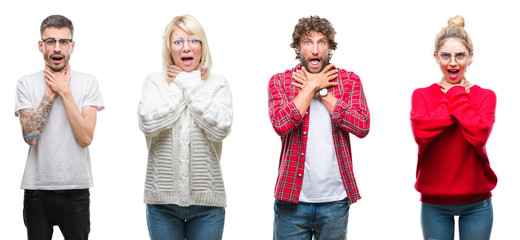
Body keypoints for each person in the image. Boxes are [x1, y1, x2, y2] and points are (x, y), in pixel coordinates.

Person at [268, 16, 370, 239]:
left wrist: (323, 92)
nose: (315, 49)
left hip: (335, 202)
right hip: (291, 201)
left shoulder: (349, 81)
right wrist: (311, 85)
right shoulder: (281, 82)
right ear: (298, 47)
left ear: (329, 48)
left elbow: (362, 126)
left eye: (321, 42)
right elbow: (281, 124)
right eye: (307, 42)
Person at [137, 15, 233, 240]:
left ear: (202, 46)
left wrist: (189, 82)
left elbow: (220, 128)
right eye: (178, 41)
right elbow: (149, 123)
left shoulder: (218, 83)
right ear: (169, 48)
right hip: (162, 203)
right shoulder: (154, 82)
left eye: (193, 40)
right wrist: (186, 81)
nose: (186, 47)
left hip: (208, 204)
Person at [14, 15, 104, 240]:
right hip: (36, 190)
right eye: (51, 41)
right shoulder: (25, 83)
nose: (57, 48)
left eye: (64, 42)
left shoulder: (88, 82)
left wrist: (65, 92)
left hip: (76, 189)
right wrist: (50, 91)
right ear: (40, 45)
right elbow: (30, 136)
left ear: (72, 46)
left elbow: (85, 138)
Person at [410, 15, 496, 240]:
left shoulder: (486, 96)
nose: (453, 63)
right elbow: (421, 134)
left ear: (470, 57)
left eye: (460, 55)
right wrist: (457, 96)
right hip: (434, 203)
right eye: (446, 56)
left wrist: (453, 94)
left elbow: (478, 135)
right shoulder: (421, 95)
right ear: (436, 57)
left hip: (477, 202)